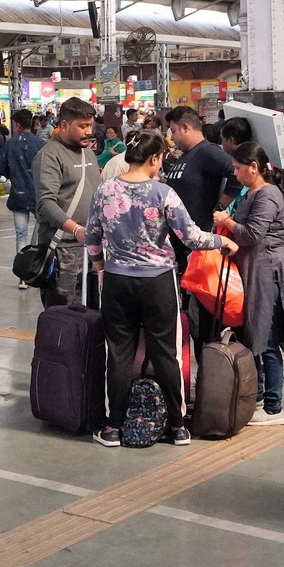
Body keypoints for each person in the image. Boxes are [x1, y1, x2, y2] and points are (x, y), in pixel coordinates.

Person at [85, 133, 237, 448]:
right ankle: (179, 427)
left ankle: (113, 428)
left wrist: (101, 269)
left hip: (116, 281)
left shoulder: (105, 190)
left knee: (119, 353)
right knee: (166, 353)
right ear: (155, 159)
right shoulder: (163, 193)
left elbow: (92, 239)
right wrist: (223, 240)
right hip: (157, 283)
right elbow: (192, 238)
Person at [212, 141, 284, 426]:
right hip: (252, 271)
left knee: (267, 339)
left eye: (237, 168)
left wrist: (227, 221)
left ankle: (275, 407)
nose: (234, 174)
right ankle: (259, 396)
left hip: (266, 272)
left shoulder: (268, 195)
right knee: (255, 334)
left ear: (254, 167)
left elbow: (251, 235)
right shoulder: (252, 193)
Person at [35, 97, 102, 305]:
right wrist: (76, 230)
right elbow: (45, 203)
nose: (88, 132)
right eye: (82, 126)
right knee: (64, 317)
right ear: (64, 125)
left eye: (90, 125)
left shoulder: (88, 153)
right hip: (62, 251)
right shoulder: (49, 155)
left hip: (92, 251)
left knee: (92, 315)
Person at [162, 105, 239, 245]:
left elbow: (236, 172)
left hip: (198, 240)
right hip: (179, 240)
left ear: (185, 127)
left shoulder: (207, 151)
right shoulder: (187, 155)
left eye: (173, 131)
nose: (172, 137)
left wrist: (220, 205)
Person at [0, 108, 44, 251]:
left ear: (17, 124)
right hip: (39, 195)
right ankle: (40, 264)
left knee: (21, 235)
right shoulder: (41, 144)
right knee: (43, 232)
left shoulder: (10, 144)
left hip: (18, 194)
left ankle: (22, 266)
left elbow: (2, 170)